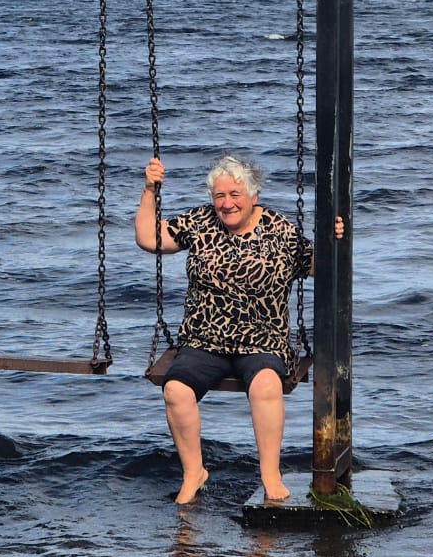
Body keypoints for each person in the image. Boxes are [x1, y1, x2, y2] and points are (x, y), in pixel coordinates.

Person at [135, 153, 345, 505]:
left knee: (265, 385)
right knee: (175, 390)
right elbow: (149, 238)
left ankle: (269, 475)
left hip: (262, 340)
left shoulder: (278, 231)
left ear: (253, 196)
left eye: (235, 195)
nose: (227, 204)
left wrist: (335, 240)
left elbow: (319, 265)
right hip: (205, 340)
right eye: (220, 196)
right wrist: (149, 190)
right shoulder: (199, 222)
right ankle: (193, 473)